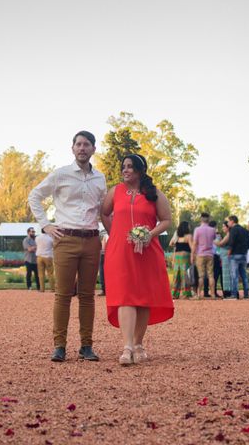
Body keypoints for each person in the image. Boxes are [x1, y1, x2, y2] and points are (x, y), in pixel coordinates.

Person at [28, 131, 107, 362]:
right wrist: (45, 225)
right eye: (79, 144)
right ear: (72, 148)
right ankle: (59, 346)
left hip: (92, 240)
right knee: (62, 295)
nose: (82, 148)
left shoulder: (100, 179)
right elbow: (34, 196)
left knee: (87, 295)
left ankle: (86, 346)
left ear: (93, 149)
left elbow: (102, 210)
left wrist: (104, 232)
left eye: (87, 144)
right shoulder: (61, 174)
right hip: (65, 239)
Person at [102, 154, 174, 365]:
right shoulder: (115, 191)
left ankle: (138, 343)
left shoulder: (155, 194)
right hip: (120, 251)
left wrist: (150, 234)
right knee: (124, 295)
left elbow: (167, 220)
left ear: (141, 170)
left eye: (130, 167)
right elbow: (104, 213)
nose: (126, 170)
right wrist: (114, 233)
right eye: (124, 166)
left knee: (142, 297)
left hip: (147, 251)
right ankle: (126, 347)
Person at [192, 212, 218, 299]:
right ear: (209, 219)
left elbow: (195, 243)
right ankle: (213, 294)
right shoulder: (212, 230)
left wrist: (192, 254)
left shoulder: (197, 230)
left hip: (200, 254)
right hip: (210, 254)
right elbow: (214, 239)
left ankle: (199, 294)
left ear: (201, 219)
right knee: (211, 275)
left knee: (201, 276)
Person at [226, 215, 249, 299]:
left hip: (234, 255)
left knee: (234, 275)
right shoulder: (244, 230)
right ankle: (246, 294)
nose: (228, 223)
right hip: (244, 255)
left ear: (232, 221)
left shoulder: (233, 230)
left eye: (228, 221)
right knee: (244, 275)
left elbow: (231, 243)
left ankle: (234, 295)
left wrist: (228, 253)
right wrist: (244, 251)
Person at [170, 221, 193, 299]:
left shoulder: (178, 237)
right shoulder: (189, 236)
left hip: (177, 256)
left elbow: (173, 246)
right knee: (185, 275)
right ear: (186, 227)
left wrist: (172, 259)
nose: (190, 227)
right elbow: (192, 247)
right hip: (185, 256)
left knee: (176, 275)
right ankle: (186, 294)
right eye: (189, 226)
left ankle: (174, 294)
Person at [215, 221, 234, 299]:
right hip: (224, 257)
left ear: (228, 227)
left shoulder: (229, 234)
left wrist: (213, 238)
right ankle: (228, 293)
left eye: (224, 226)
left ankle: (228, 293)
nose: (222, 228)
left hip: (226, 257)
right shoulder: (227, 235)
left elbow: (220, 244)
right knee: (226, 275)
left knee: (227, 275)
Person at [97, 231, 108, 296]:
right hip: (104, 254)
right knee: (102, 272)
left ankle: (104, 290)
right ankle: (104, 289)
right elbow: (103, 246)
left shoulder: (106, 235)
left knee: (102, 272)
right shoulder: (106, 235)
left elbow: (103, 246)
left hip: (104, 254)